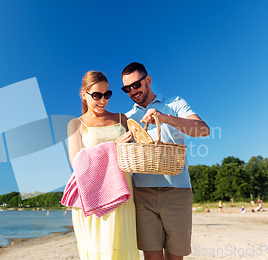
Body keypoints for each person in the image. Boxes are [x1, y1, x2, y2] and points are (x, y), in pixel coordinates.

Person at [121, 62, 210, 260]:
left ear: (148, 80)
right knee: (151, 257)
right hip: (142, 194)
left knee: (175, 256)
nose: (132, 91)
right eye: (127, 88)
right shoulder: (127, 118)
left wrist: (165, 118)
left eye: (136, 84)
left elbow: (203, 130)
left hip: (177, 190)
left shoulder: (175, 103)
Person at [67, 71, 139, 259]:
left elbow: (137, 151)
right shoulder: (76, 124)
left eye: (107, 95)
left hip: (122, 196)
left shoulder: (122, 119)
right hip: (92, 199)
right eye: (96, 95)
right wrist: (113, 146)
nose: (103, 100)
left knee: (121, 250)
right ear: (84, 95)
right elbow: (77, 162)